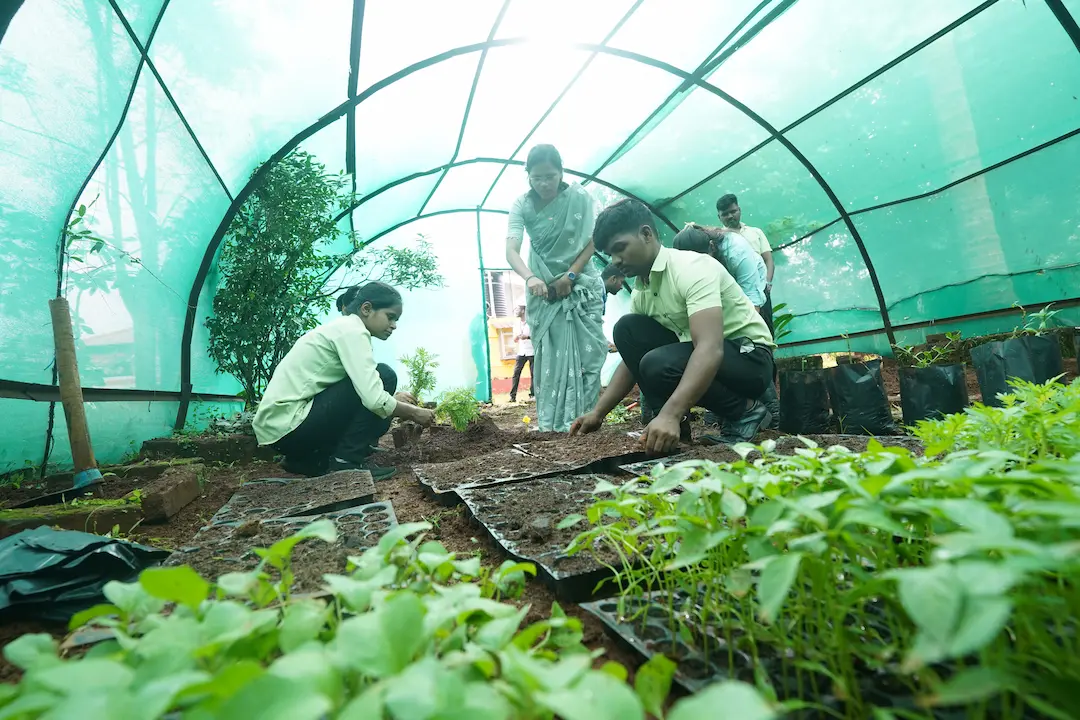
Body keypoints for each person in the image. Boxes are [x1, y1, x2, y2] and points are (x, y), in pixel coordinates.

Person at [571, 200, 775, 453]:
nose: (616, 260)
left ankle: (744, 411)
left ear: (646, 234)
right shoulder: (642, 290)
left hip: (750, 359)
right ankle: (674, 432)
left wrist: (671, 412)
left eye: (620, 248)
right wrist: (598, 413)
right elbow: (631, 362)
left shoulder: (692, 268)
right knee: (627, 329)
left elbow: (710, 348)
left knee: (658, 363)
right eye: (610, 254)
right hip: (715, 359)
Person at [253, 281, 435, 480]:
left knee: (378, 382)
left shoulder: (343, 328)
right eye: (390, 317)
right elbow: (374, 399)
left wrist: (391, 399)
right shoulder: (353, 332)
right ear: (366, 309)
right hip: (291, 427)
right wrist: (415, 413)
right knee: (384, 375)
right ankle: (346, 462)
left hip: (281, 429)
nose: (394, 325)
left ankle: (306, 460)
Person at [505, 144, 607, 432]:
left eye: (550, 176)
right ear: (528, 177)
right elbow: (511, 250)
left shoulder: (580, 198)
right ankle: (552, 426)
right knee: (549, 360)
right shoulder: (521, 205)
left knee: (589, 354)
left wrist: (570, 276)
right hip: (544, 293)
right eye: (536, 178)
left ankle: (586, 421)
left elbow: (595, 238)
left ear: (561, 172)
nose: (544, 184)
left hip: (580, 286)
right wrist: (530, 278)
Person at [673, 223, 780, 429]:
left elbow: (751, 303)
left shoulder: (737, 252)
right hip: (718, 294)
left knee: (749, 347)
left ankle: (773, 414)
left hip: (751, 293)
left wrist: (740, 334)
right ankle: (722, 413)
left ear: (711, 248)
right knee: (715, 348)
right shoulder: (692, 268)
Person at [717, 194, 775, 335]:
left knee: (765, 327)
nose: (730, 216)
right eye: (725, 214)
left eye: (733, 211)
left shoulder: (755, 232)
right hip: (736, 293)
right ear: (719, 217)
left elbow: (768, 260)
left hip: (760, 289)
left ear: (739, 210)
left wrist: (767, 283)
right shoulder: (718, 238)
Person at [509, 305, 534, 403]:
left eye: (518, 309)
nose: (516, 311)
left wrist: (527, 337)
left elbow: (535, 336)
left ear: (523, 311)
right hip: (521, 351)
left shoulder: (531, 323)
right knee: (516, 373)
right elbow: (515, 339)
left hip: (531, 351)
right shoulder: (516, 324)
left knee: (533, 374)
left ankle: (532, 395)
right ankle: (512, 396)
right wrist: (516, 338)